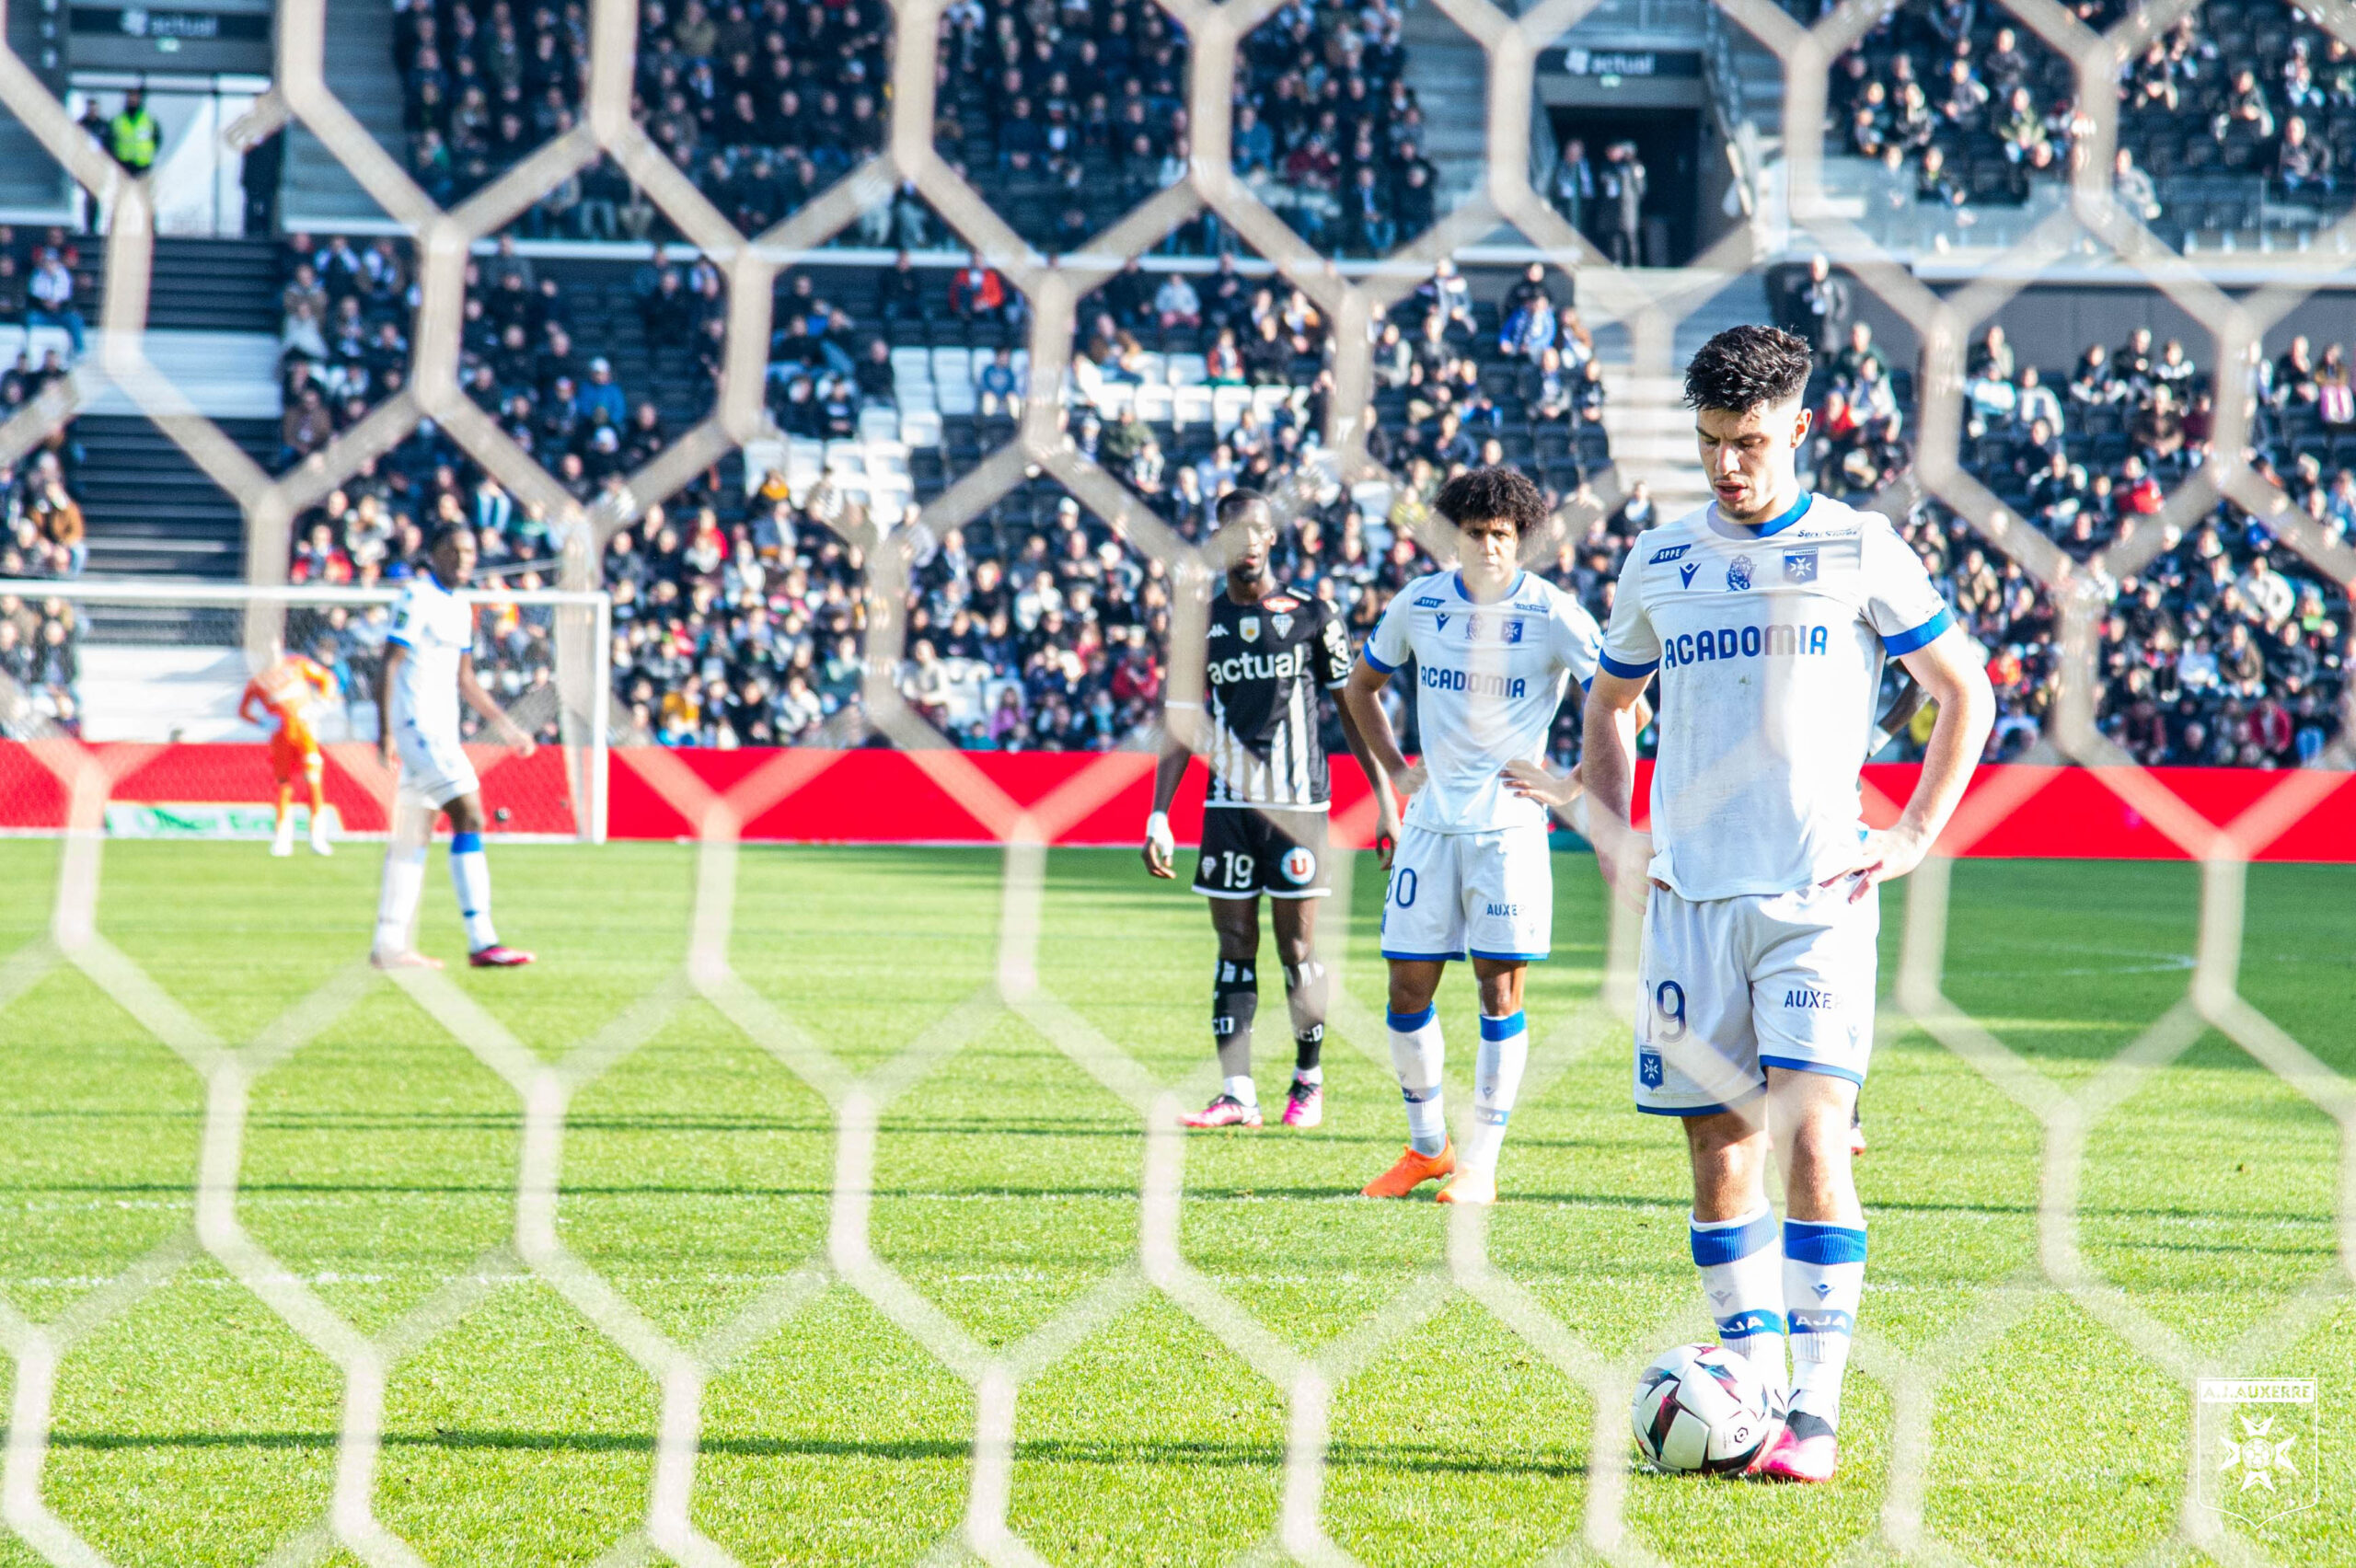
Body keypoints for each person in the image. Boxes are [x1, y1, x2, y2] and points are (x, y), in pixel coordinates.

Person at [1565, 325, 1994, 1482]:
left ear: (1800, 427)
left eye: (1747, 443)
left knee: (1812, 1141)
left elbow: (1968, 692)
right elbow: (1609, 707)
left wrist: (1910, 836)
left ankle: (1812, 1413)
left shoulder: (1860, 547)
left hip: (1814, 899)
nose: (1726, 467)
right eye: (1709, 444)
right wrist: (1617, 842)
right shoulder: (1658, 559)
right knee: (1718, 1158)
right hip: (1690, 903)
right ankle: (1748, 1383)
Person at [1336, 467, 1613, 1205]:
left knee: (1498, 992)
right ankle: (1427, 1150)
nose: (1489, 547)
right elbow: (1360, 687)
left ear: (1520, 540)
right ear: (1453, 537)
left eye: (1502, 535)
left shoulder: (1553, 612)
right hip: (1429, 827)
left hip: (1507, 831)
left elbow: (1625, 703)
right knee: (1405, 987)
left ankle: (1481, 1164)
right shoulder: (1420, 603)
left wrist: (1567, 786)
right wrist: (1395, 769)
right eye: (1476, 534)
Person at [1144, 490, 1397, 1130]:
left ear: (1272, 538)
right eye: (1235, 530)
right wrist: (1158, 814)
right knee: (1233, 945)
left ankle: (1307, 1082)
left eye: (1257, 529)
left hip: (1298, 806)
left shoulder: (1315, 614)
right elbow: (1181, 723)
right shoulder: (1198, 621)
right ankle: (1238, 1094)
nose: (1247, 541)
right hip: (1226, 805)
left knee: (1298, 949)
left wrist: (1387, 802)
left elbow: (1352, 711)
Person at [370, 523, 539, 970]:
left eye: (470, 552)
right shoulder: (416, 597)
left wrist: (507, 725)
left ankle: (388, 944)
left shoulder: (461, 607)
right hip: (417, 726)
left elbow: (465, 679)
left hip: (441, 731)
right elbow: (389, 664)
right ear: (435, 553)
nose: (465, 560)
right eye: (456, 551)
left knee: (414, 835)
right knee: (471, 813)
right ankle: (482, 939)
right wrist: (385, 731)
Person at [239, 641, 339, 857]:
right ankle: (283, 839)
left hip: (306, 736)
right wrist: (262, 722)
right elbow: (243, 710)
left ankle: (317, 837)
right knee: (284, 787)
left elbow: (327, 679)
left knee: (313, 783)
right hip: (281, 740)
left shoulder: (297, 666)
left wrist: (321, 704)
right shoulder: (259, 681)